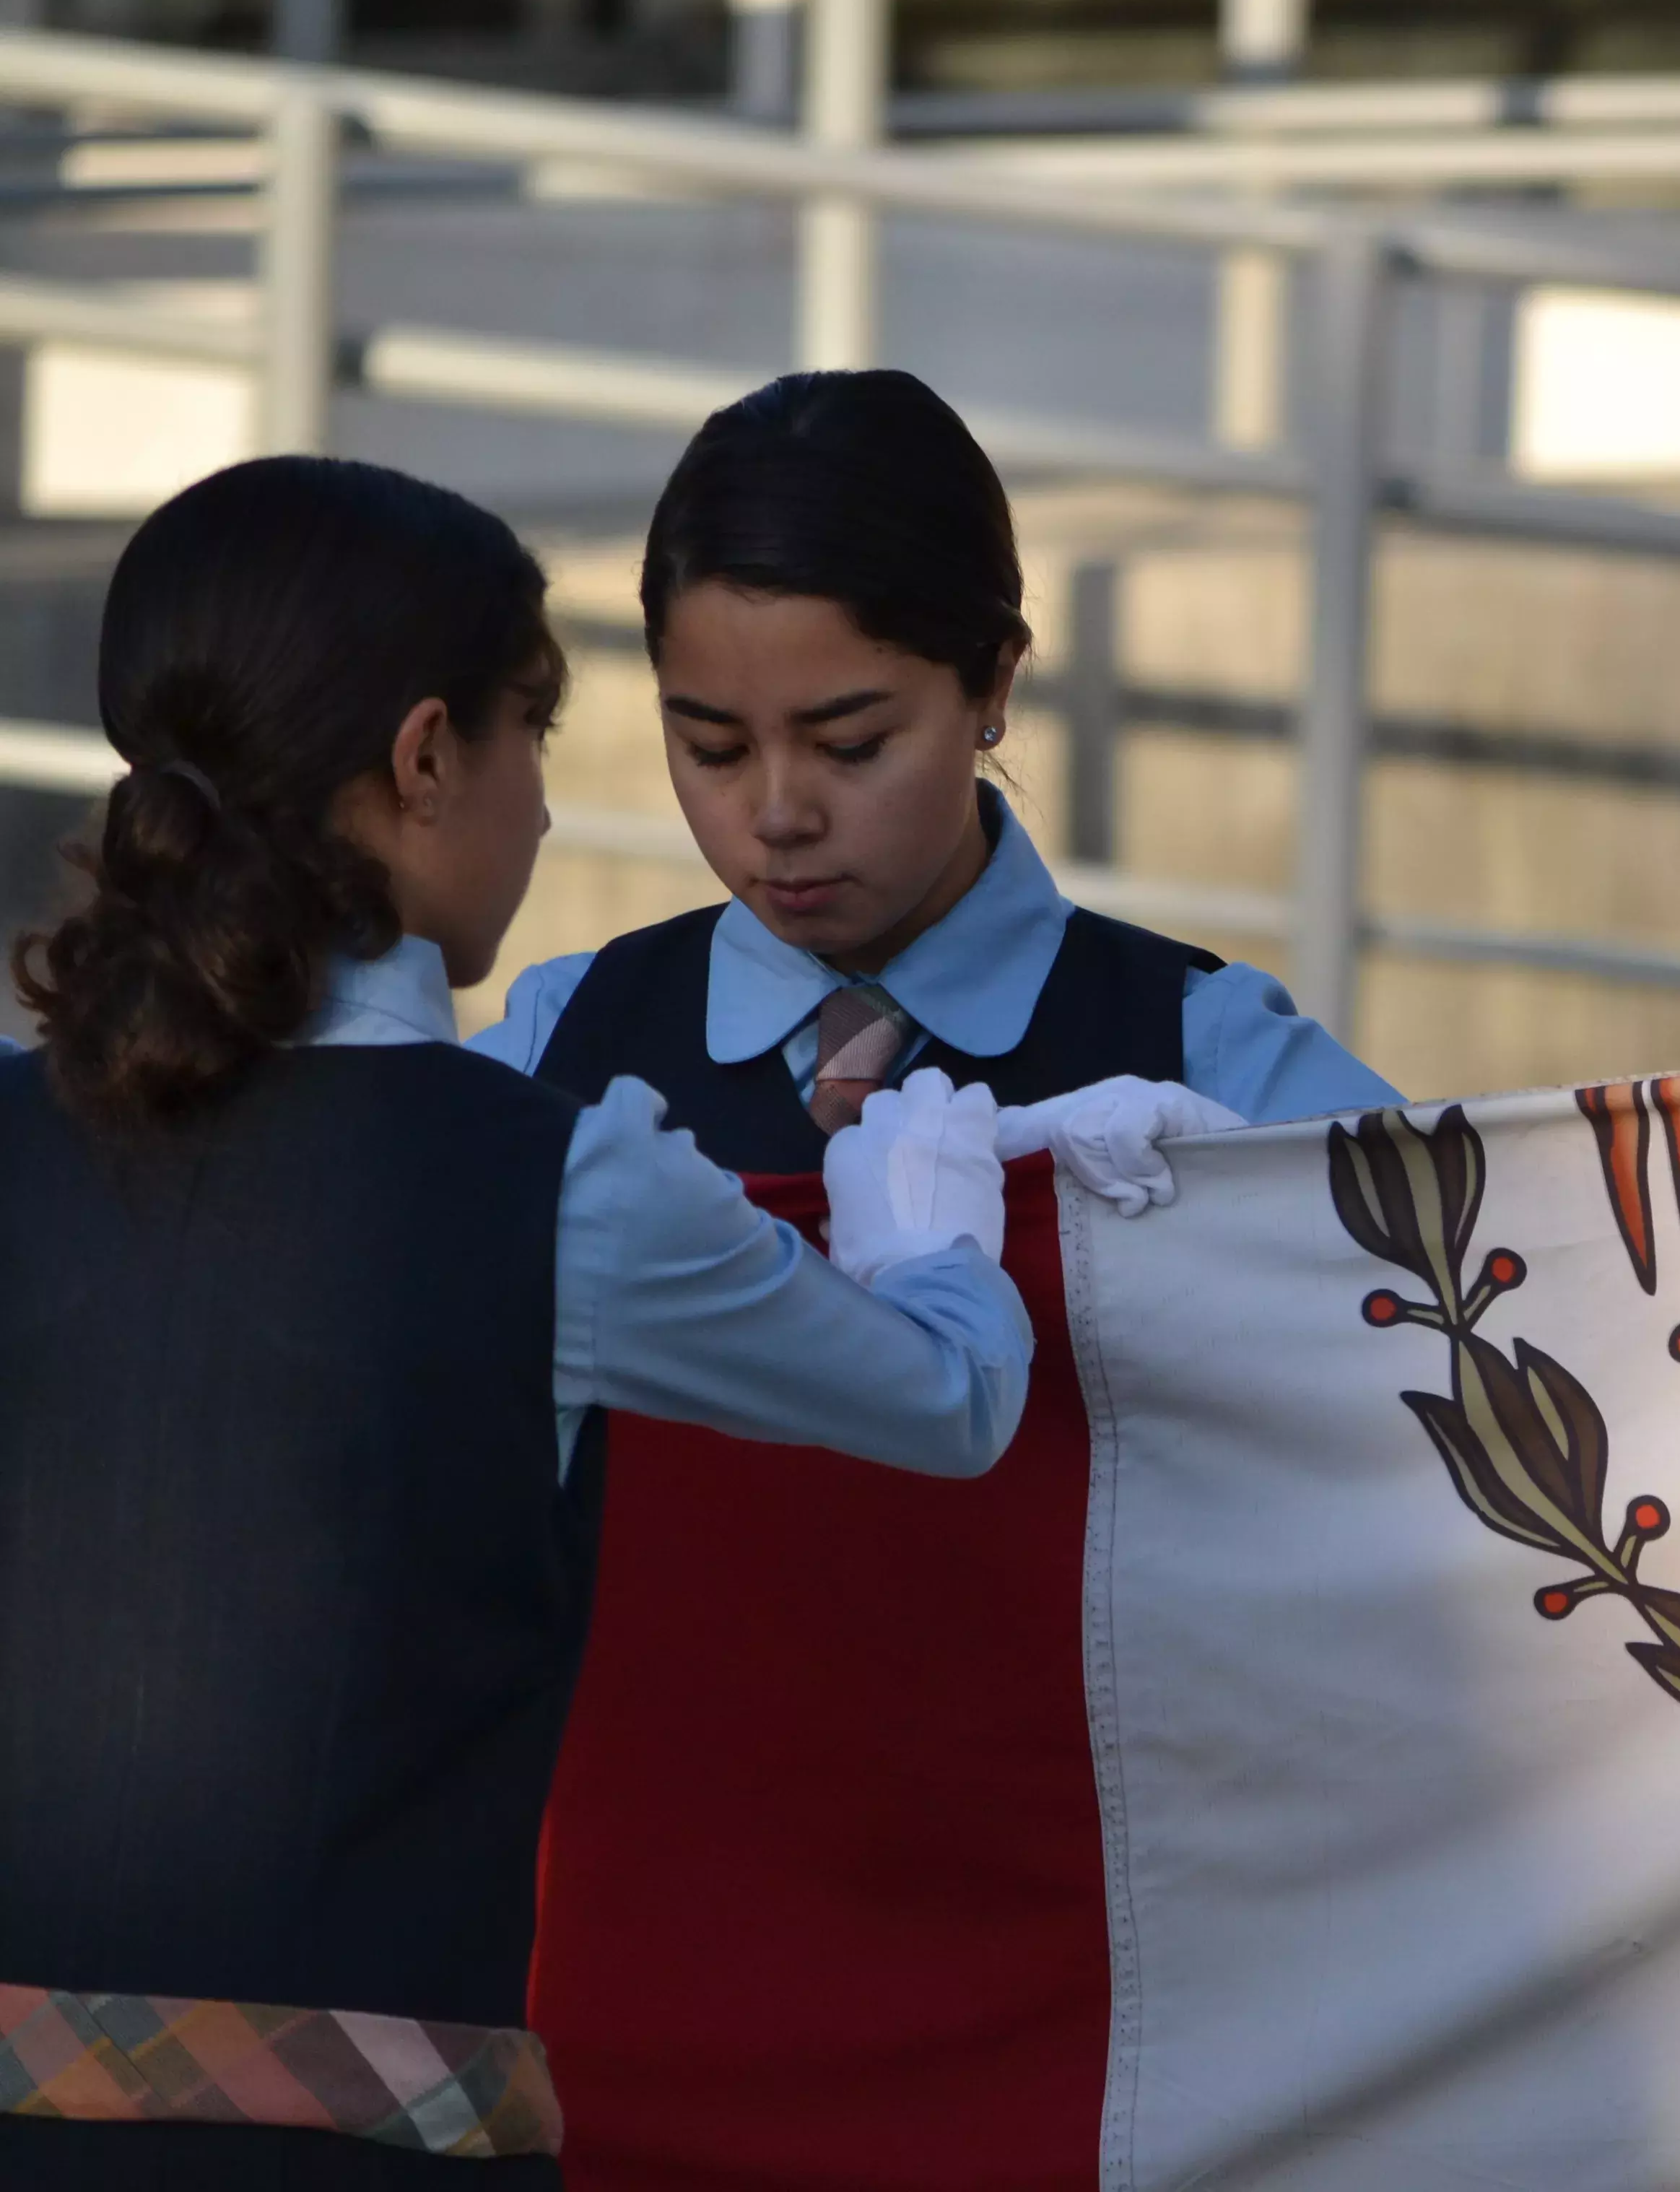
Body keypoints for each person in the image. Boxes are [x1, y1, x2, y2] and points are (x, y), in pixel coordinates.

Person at [0, 456, 1031, 2186]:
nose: (545, 817)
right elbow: (950, 1399)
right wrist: (921, 1203)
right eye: (531, 743)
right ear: (425, 759)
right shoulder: (562, 1182)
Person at [471, 370, 1397, 2191]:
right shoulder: (565, 1040)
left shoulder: (1213, 1050)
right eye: (709, 748)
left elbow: (1490, 1329)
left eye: (852, 738)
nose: (779, 816)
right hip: (637, 1965)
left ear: (994, 683)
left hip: (1089, 1968)